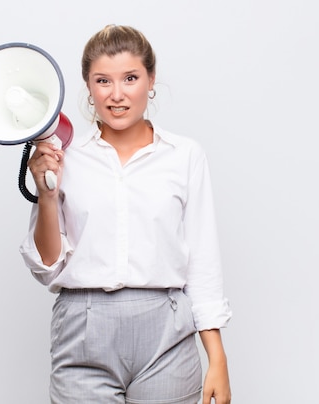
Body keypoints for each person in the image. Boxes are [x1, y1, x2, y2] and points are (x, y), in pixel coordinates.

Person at [20, 24, 232, 404]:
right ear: (88, 85)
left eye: (130, 78)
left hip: (165, 332)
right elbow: (48, 265)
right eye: (103, 81)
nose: (117, 95)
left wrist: (217, 356)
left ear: (151, 79)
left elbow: (202, 260)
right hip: (82, 327)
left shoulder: (184, 156)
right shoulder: (65, 156)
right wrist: (46, 194)